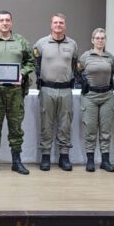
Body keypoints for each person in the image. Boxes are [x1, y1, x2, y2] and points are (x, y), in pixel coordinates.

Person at [0, 10, 35, 175]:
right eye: (1, 20)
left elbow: (31, 63)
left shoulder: (21, 41)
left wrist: (21, 74)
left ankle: (16, 161)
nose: (4, 23)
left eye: (7, 20)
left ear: (11, 22)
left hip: (16, 91)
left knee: (16, 129)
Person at [34, 13, 79, 171]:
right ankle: (45, 156)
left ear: (65, 25)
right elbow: (36, 64)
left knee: (65, 124)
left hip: (66, 89)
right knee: (46, 123)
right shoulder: (41, 43)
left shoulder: (72, 44)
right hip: (47, 89)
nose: (58, 25)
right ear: (51, 25)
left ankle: (64, 156)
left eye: (61, 23)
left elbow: (75, 65)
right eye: (55, 23)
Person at [77, 28, 114, 172]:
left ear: (105, 40)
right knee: (90, 129)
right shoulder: (85, 57)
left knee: (106, 130)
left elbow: (112, 73)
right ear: (92, 40)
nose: (100, 40)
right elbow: (78, 73)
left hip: (106, 96)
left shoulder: (110, 57)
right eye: (97, 38)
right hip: (90, 96)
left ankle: (105, 161)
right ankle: (90, 160)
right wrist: (84, 83)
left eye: (102, 38)